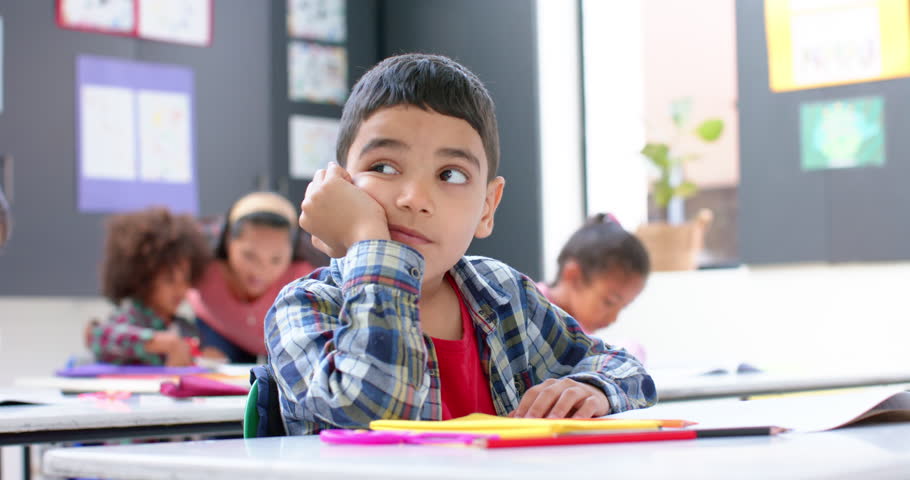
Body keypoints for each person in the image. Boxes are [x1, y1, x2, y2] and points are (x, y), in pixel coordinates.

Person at [265, 53, 655, 435]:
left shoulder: (503, 295)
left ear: (488, 207)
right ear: (338, 183)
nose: (415, 197)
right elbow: (375, 411)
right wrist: (370, 242)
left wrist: (591, 387)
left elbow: (625, 368)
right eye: (384, 167)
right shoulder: (305, 305)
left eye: (450, 174)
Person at [187, 192, 318, 364]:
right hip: (219, 334)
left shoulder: (307, 279)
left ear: (291, 252)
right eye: (249, 256)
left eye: (276, 259)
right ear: (228, 242)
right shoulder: (203, 267)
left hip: (279, 347)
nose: (261, 270)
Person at [87, 207, 210, 366]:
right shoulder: (130, 316)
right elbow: (99, 336)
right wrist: (160, 342)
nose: (180, 289)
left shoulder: (185, 327)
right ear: (144, 277)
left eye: (185, 280)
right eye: (169, 280)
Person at [538, 213, 649, 334]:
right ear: (574, 276)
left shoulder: (578, 331)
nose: (613, 318)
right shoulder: (530, 309)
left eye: (623, 307)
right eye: (609, 302)